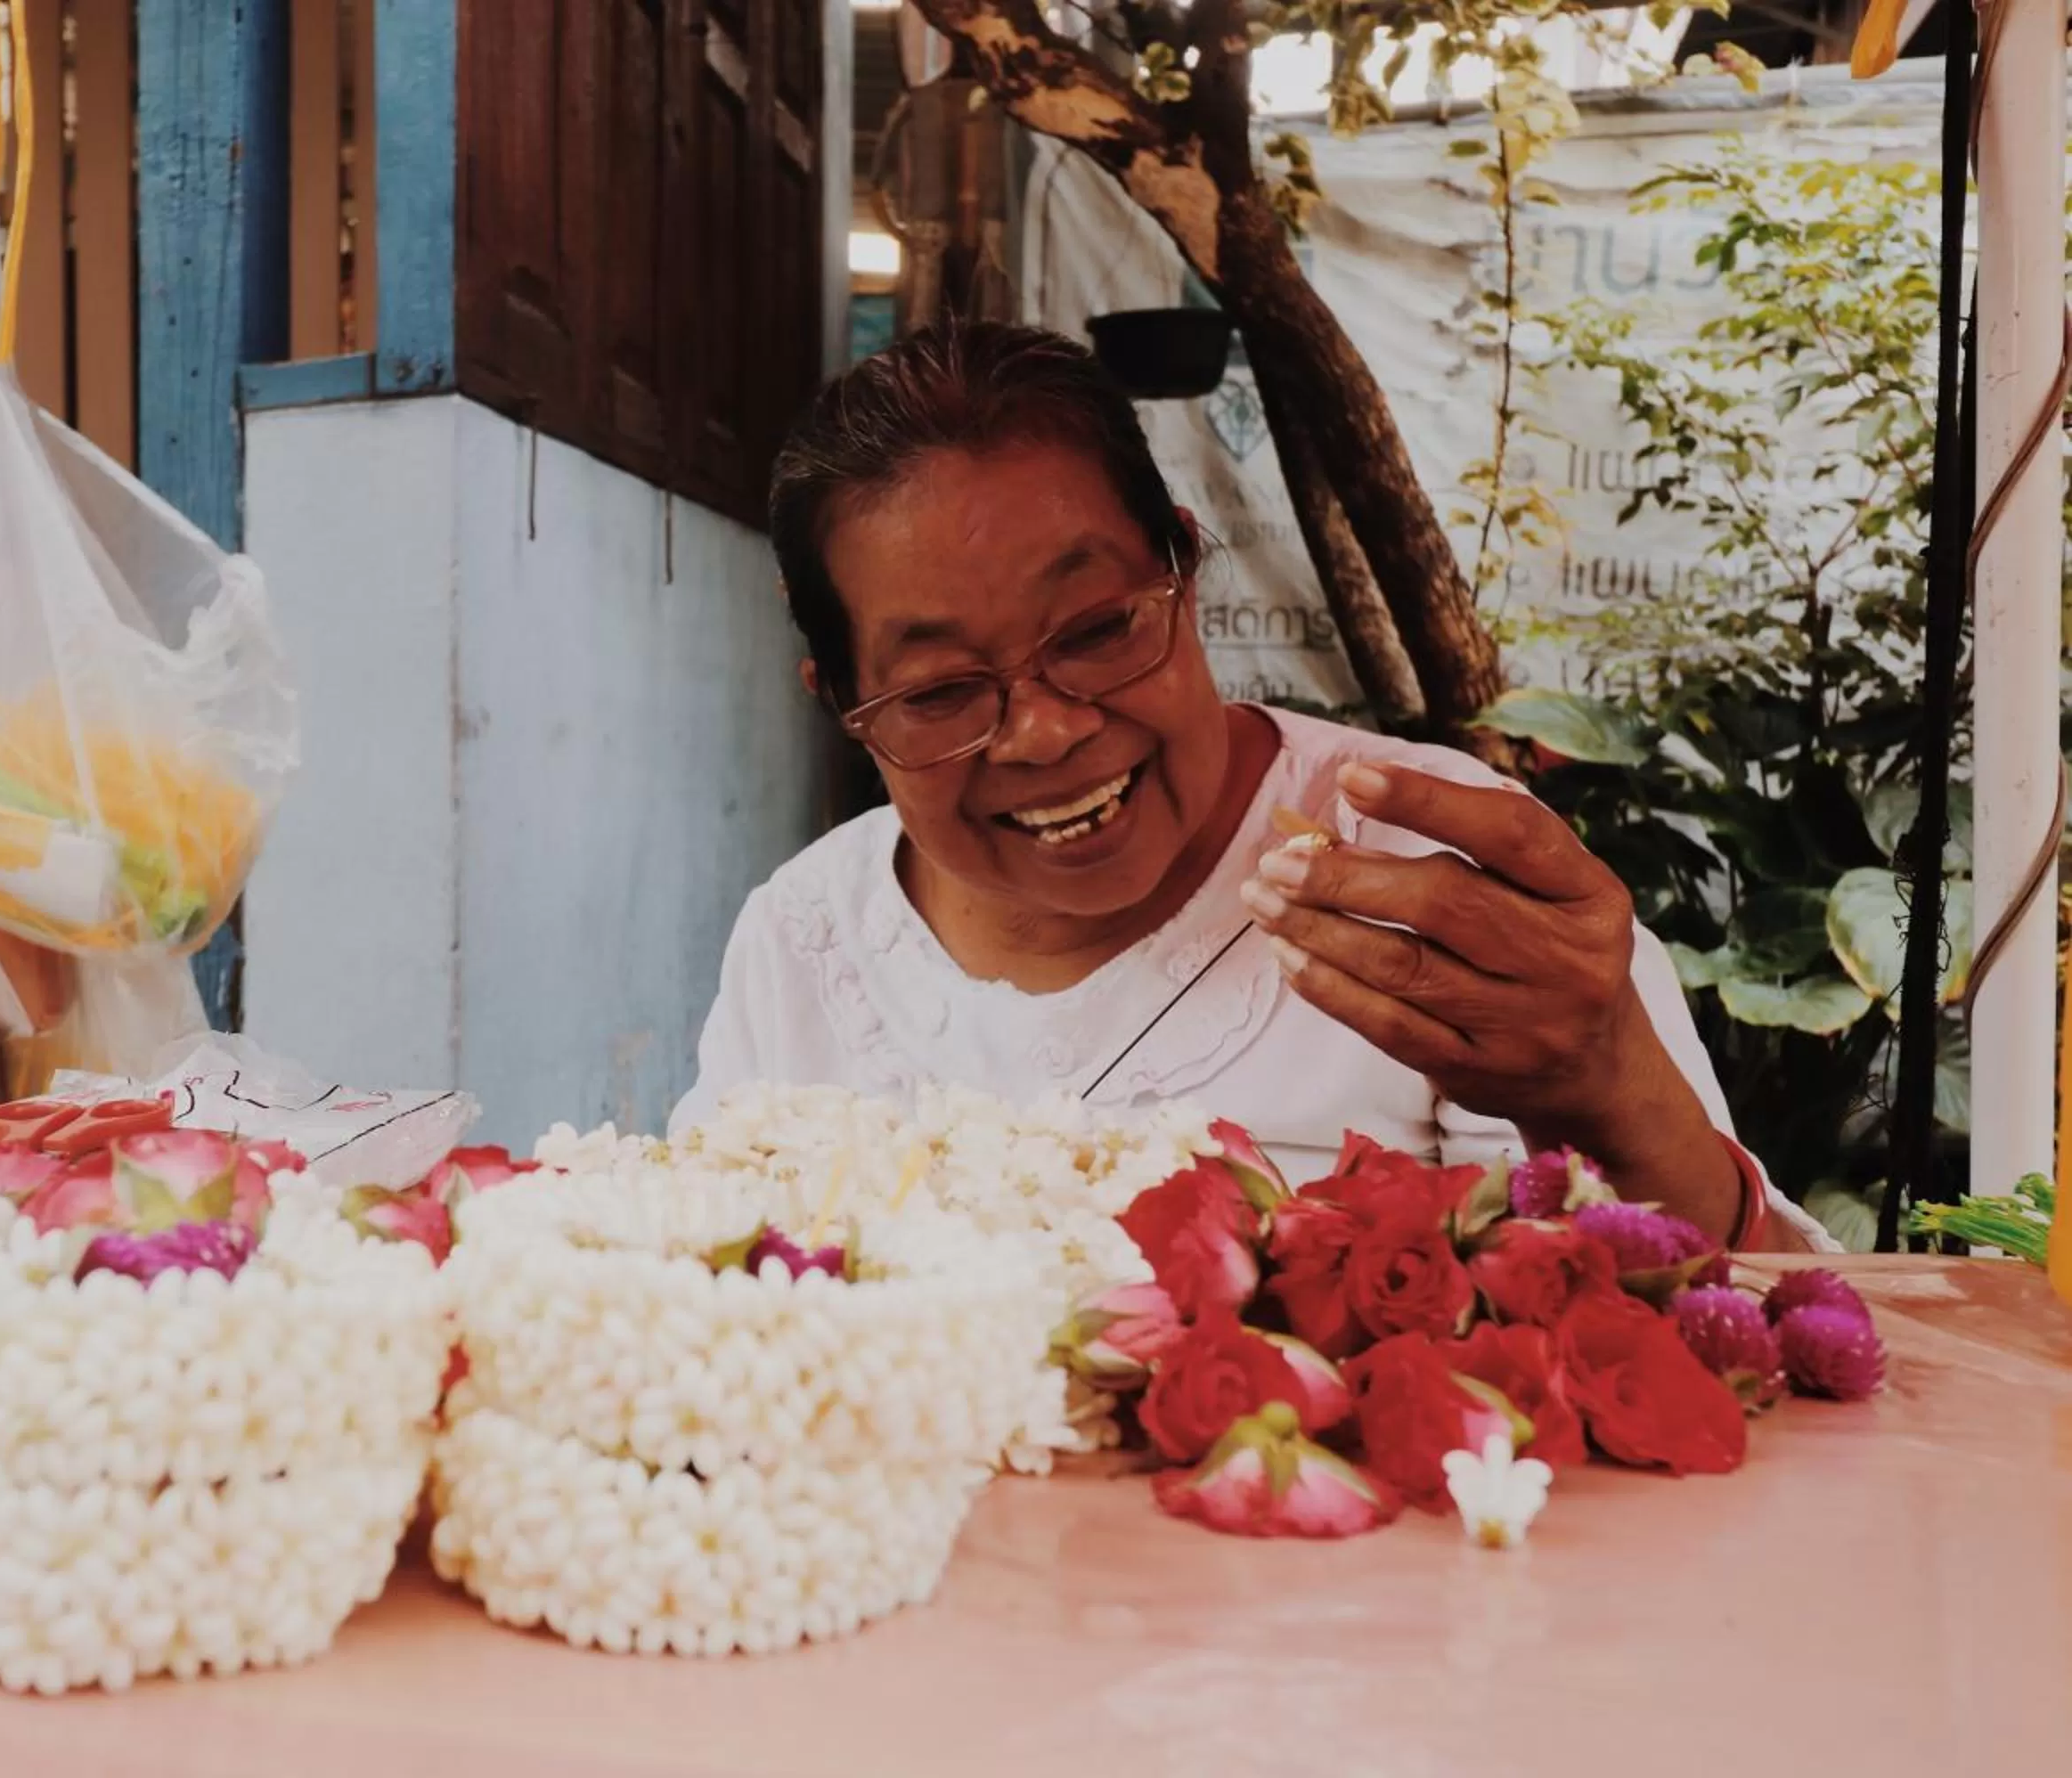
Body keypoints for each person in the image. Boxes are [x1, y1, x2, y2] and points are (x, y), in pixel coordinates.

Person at [673, 321, 1823, 1252]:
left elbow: (1735, 1324)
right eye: (939, 693)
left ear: (1183, 566)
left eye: (1098, 630)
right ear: (841, 700)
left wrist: (1608, 1084)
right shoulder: (803, 938)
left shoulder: (1433, 871)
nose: (1046, 731)